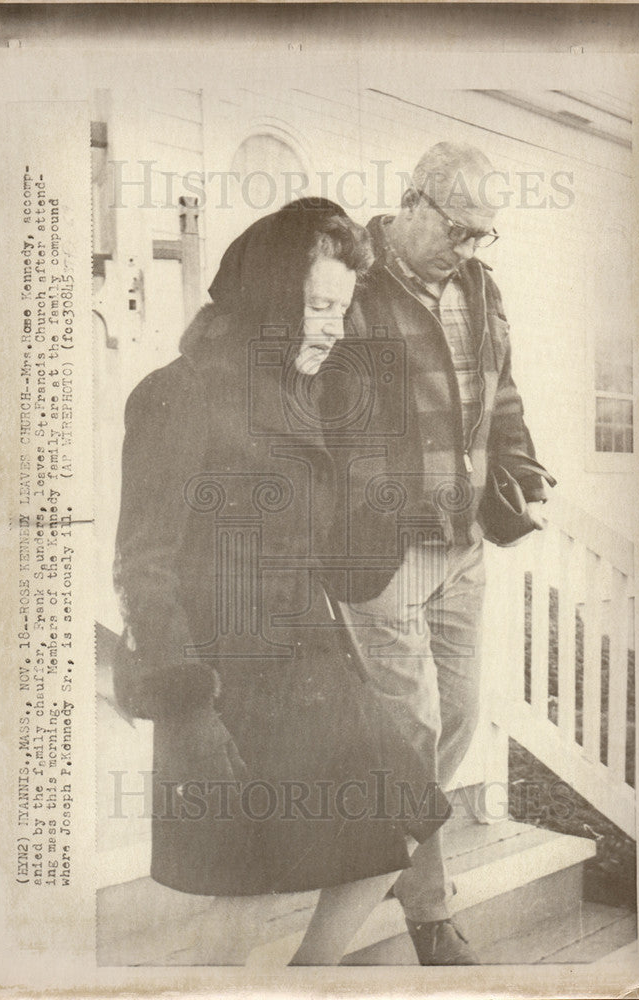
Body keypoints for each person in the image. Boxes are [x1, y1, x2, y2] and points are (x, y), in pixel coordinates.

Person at [112, 198, 451, 966]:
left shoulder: (306, 393)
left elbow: (338, 564)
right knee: (230, 899)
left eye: (342, 307)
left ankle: (306, 977)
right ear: (268, 296)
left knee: (401, 818)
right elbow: (142, 562)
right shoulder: (177, 392)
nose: (334, 326)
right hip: (223, 678)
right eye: (319, 306)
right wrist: (188, 708)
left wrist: (386, 506)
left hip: (310, 660)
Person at [319, 143, 554, 964]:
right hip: (383, 545)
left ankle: (388, 840)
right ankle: (428, 910)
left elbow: (503, 389)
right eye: (458, 230)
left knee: (453, 716)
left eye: (480, 236)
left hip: (462, 543)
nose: (467, 248)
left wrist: (518, 467)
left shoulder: (479, 288)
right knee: (412, 726)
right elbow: (311, 401)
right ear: (412, 202)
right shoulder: (350, 277)